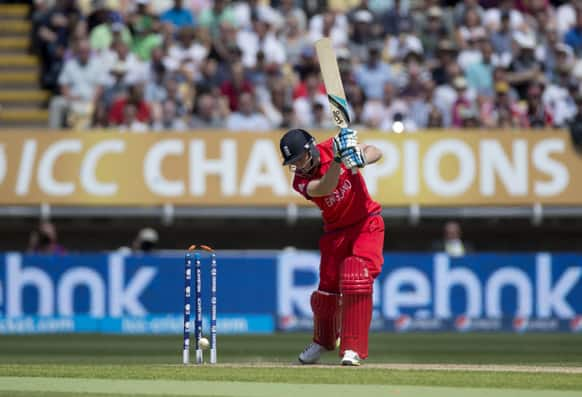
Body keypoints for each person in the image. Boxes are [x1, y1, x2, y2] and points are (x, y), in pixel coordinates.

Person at [279, 128, 384, 366]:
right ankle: (323, 340)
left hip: (366, 223)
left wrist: (360, 158)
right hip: (335, 232)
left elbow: (377, 151)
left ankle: (352, 348)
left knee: (356, 275)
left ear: (311, 148)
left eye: (299, 158)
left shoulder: (333, 146)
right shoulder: (301, 181)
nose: (298, 165)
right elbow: (325, 187)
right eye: (293, 162)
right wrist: (339, 161)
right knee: (325, 293)